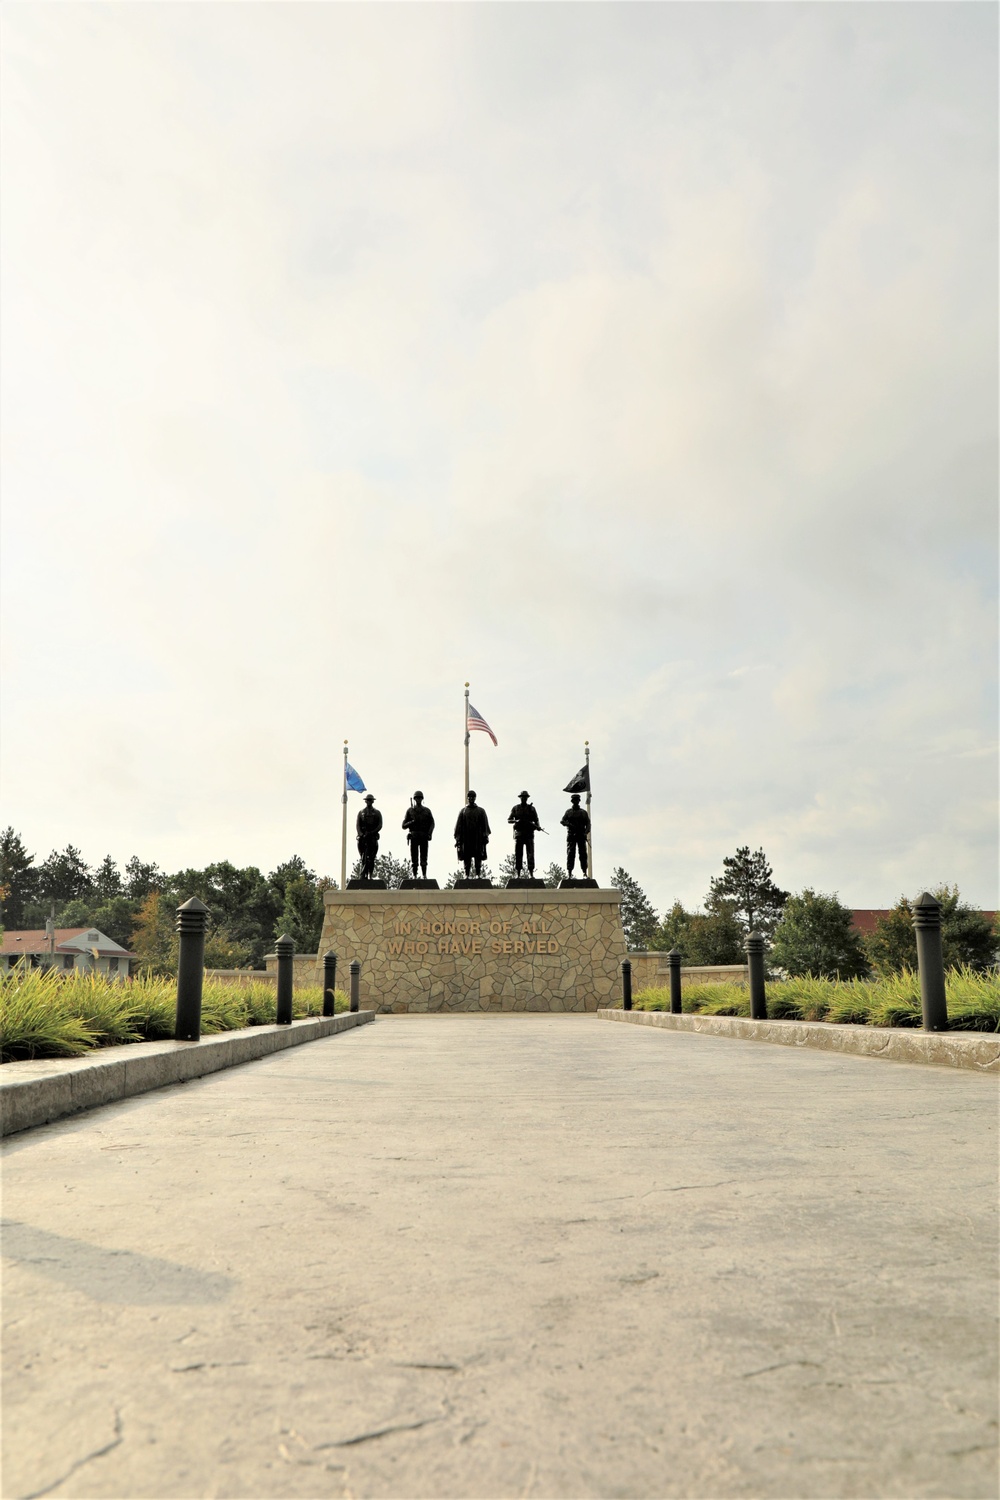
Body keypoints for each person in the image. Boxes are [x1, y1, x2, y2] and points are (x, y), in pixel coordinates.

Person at [454, 790, 491, 879]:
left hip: (477, 838)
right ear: (467, 798)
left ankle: (478, 874)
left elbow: (485, 825)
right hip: (466, 838)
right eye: (469, 797)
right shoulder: (463, 811)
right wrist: (458, 839)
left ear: (475, 798)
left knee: (478, 856)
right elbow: (458, 826)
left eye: (473, 797)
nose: (471, 798)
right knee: (467, 856)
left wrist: (485, 836)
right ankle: (466, 874)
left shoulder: (481, 811)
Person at [402, 791, 435, 880]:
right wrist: (411, 822)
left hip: (424, 835)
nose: (418, 800)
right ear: (415, 799)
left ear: (422, 799)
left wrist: (429, 833)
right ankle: (414, 875)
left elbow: (432, 823)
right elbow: (403, 825)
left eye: (420, 798)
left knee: (424, 857)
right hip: (414, 835)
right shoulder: (410, 810)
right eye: (417, 798)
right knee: (414, 857)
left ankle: (424, 875)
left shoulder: (427, 811)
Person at [507, 791, 541, 878]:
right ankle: (518, 874)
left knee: (530, 854)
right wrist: (516, 821)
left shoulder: (532, 809)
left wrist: (538, 826)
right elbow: (509, 820)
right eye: (522, 797)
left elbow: (536, 820)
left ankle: (531, 873)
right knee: (518, 854)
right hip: (519, 834)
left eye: (525, 797)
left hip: (529, 834)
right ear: (520, 798)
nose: (524, 798)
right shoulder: (515, 808)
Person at [560, 792, 590, 877]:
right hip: (571, 836)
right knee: (570, 854)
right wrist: (568, 824)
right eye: (574, 800)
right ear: (572, 801)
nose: (575, 801)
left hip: (581, 835)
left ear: (579, 801)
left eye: (577, 800)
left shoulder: (583, 812)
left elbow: (588, 824)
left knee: (583, 854)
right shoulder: (568, 812)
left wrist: (585, 832)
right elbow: (562, 821)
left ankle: (584, 872)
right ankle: (569, 872)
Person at [356, 793, 382, 881]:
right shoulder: (361, 813)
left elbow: (380, 825)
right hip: (363, 838)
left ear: (372, 801)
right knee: (363, 857)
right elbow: (358, 825)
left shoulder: (377, 813)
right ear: (366, 801)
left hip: (372, 837)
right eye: (368, 800)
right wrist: (361, 835)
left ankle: (370, 875)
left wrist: (372, 832)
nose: (369, 802)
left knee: (371, 858)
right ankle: (364, 875)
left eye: (371, 800)